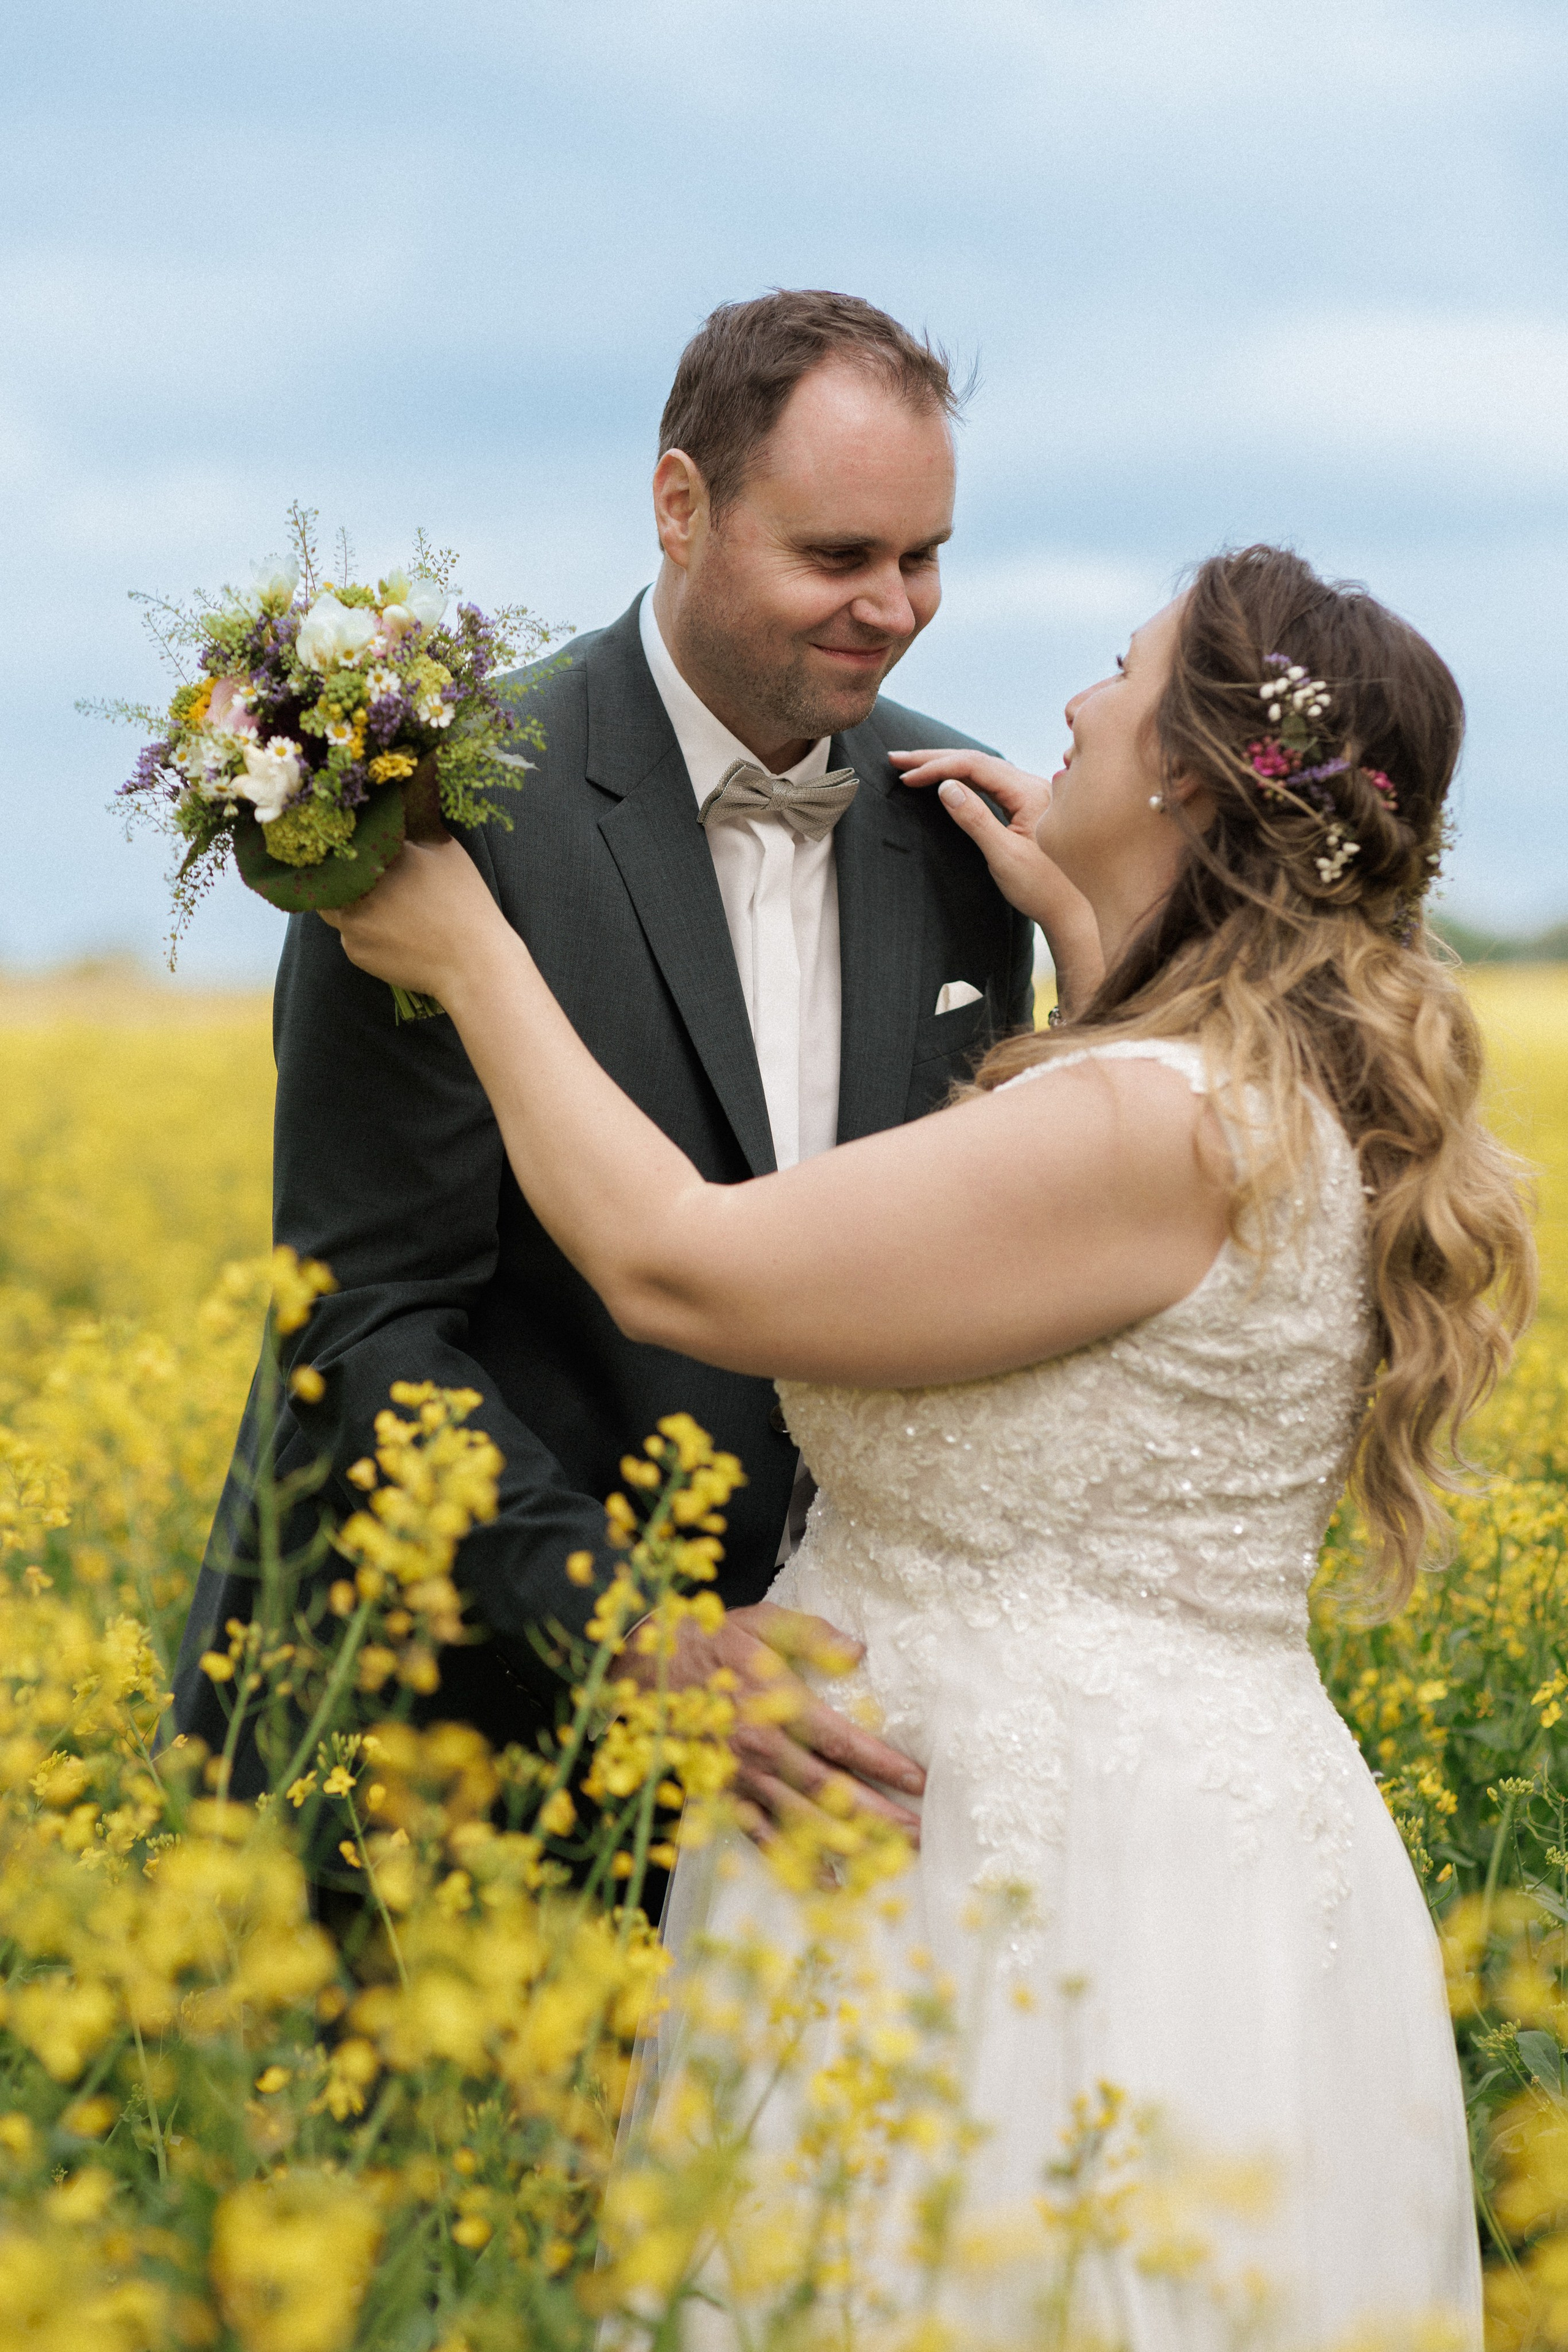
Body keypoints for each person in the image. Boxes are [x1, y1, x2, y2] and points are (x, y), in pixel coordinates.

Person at [323, 543, 1536, 2340]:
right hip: (1193, 1855)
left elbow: (676, 1266)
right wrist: (1096, 935)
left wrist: (469, 953)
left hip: (1012, 1888)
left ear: (1188, 773)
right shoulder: (1276, 1097)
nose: (1070, 703)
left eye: (1121, 675)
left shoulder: (1145, 1125)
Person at [173, 291, 1054, 1813]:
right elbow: (363, 1323)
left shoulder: (970, 836)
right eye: (835, 556)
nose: (893, 604)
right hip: (455, 1744)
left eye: (923, 558)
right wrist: (635, 1641)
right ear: (678, 505)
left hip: (826, 1755)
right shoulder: (435, 813)